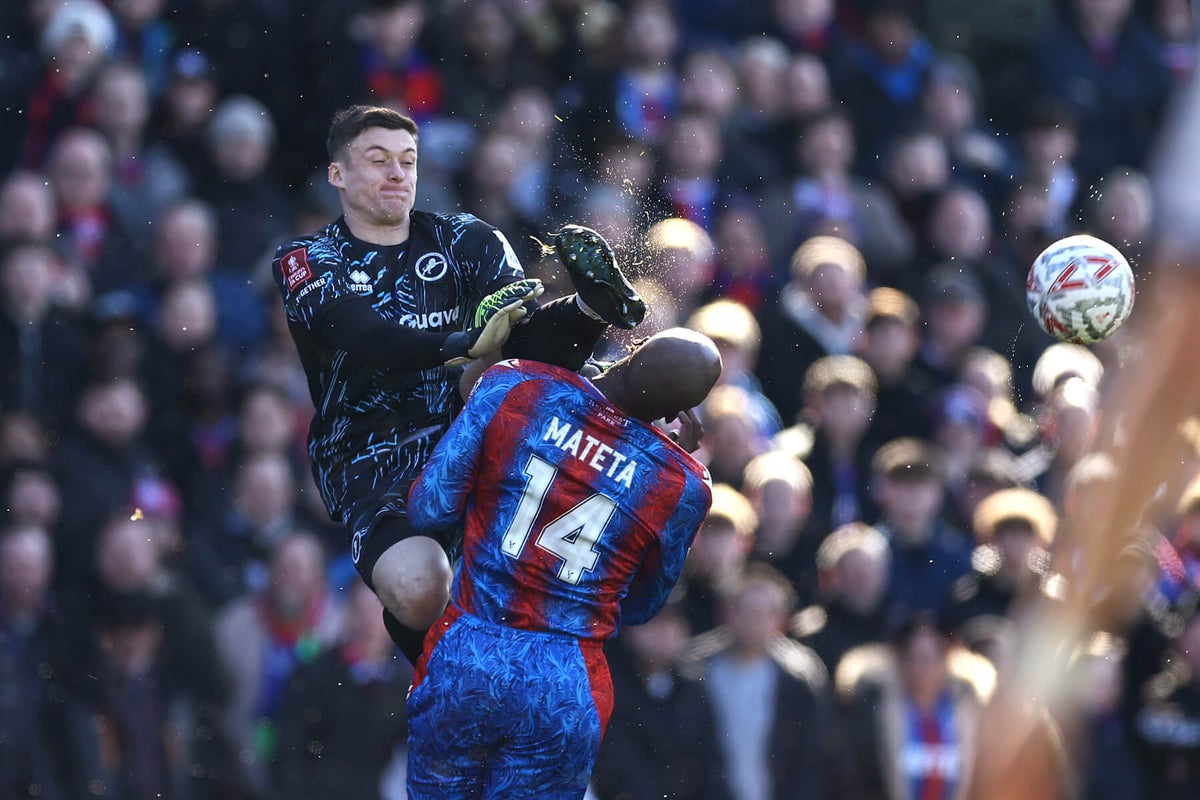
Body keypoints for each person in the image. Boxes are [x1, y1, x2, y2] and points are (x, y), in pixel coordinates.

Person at [271, 104, 646, 665]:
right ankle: (443, 673)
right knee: (422, 592)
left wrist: (576, 317)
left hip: (475, 440)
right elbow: (364, 335)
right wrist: (460, 343)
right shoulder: (306, 257)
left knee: (508, 366)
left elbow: (524, 346)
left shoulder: (467, 239)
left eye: (407, 161)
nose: (397, 174)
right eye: (378, 161)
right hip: (372, 459)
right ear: (338, 175)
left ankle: (593, 307)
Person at [404, 327, 722, 800]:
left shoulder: (516, 386)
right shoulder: (684, 485)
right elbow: (641, 606)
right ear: (679, 414)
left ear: (632, 350)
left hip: (469, 649)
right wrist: (667, 457)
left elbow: (429, 506)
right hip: (565, 682)